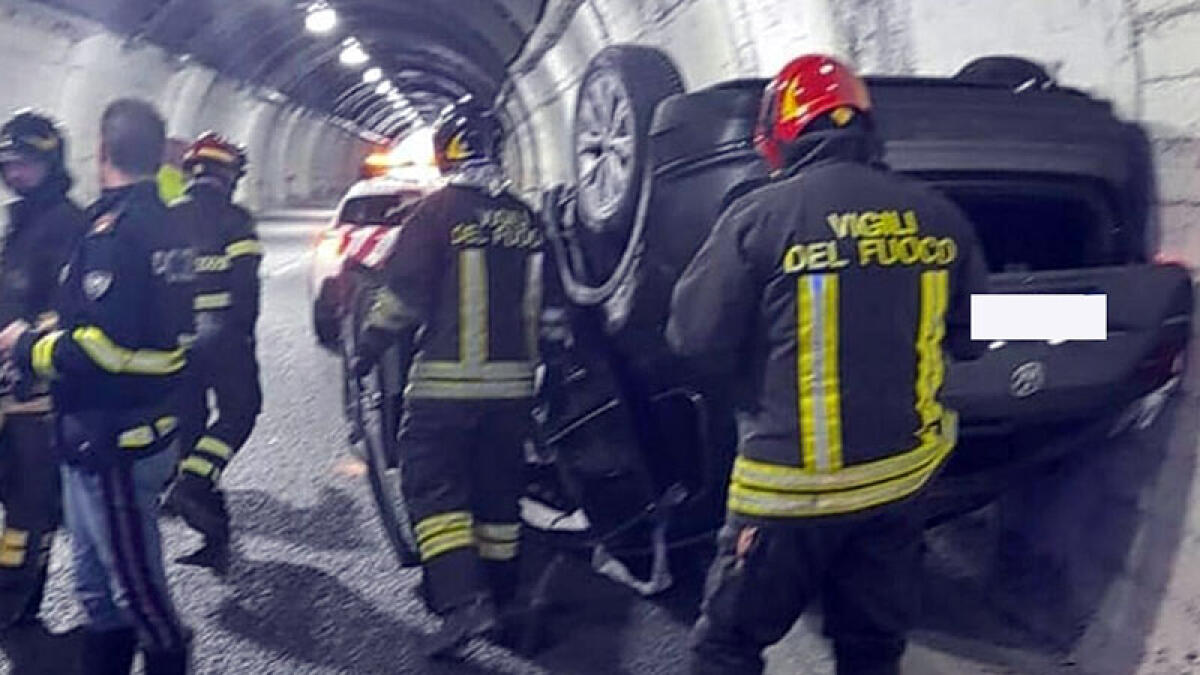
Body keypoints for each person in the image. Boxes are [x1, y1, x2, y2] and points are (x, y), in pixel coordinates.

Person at [668, 55, 990, 675]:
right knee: (871, 650)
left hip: (789, 496)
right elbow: (978, 334)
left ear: (782, 132)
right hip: (899, 488)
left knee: (727, 646)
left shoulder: (759, 218)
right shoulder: (939, 215)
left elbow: (693, 337)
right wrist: (1090, 317)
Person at [0, 98, 196, 675]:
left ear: (102, 151)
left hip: (113, 438)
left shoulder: (113, 231)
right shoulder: (163, 221)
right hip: (104, 433)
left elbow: (105, 346)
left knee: (135, 591)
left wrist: (27, 347)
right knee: (95, 588)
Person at [352, 98, 546, 658]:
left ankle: (462, 602)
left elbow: (402, 301)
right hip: (513, 392)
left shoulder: (435, 214)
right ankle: (502, 600)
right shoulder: (526, 219)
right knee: (497, 497)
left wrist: (368, 348)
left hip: (444, 389)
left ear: (446, 150)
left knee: (434, 491)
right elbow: (546, 311)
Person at [0, 110, 88, 632]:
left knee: (30, 510)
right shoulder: (20, 223)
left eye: (25, 164)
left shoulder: (69, 226)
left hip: (41, 399)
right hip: (8, 389)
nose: (15, 173)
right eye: (8, 164)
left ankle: (15, 602)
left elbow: (72, 313)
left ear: (50, 163)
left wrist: (25, 339)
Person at [162, 132, 262, 573]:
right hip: (221, 333)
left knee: (190, 425)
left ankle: (212, 528)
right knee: (241, 410)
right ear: (229, 175)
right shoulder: (235, 219)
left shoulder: (168, 218)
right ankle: (195, 481)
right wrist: (244, 336)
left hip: (175, 340)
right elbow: (246, 285)